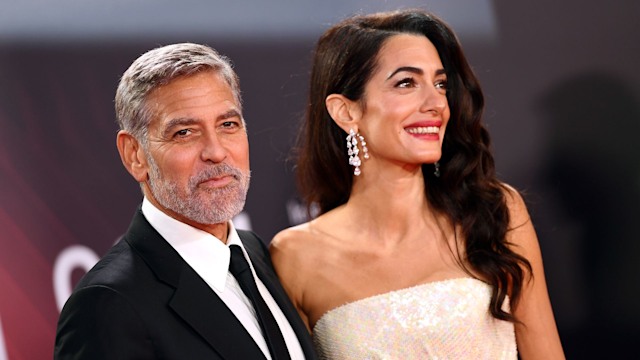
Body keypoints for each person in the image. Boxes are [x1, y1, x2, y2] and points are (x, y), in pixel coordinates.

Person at [270, 10, 565, 359]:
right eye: (406, 83)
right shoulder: (295, 257)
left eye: (440, 84)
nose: (436, 103)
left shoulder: (494, 213)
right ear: (346, 112)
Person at [54, 43, 317, 360]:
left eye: (228, 125)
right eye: (184, 132)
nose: (216, 151)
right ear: (134, 155)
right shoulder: (108, 305)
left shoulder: (257, 253)